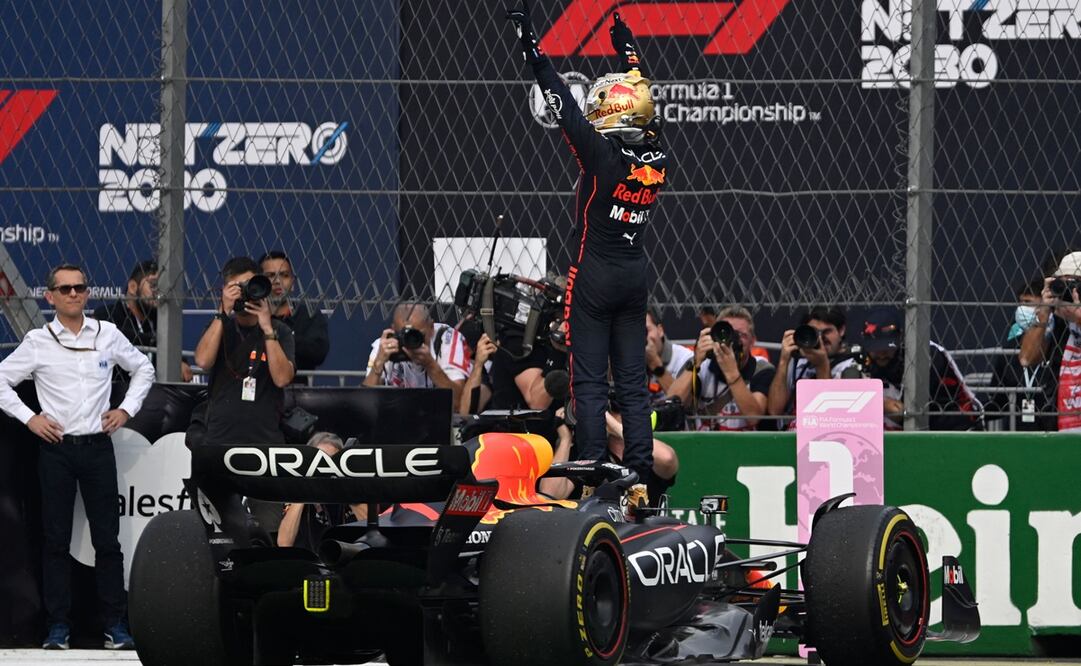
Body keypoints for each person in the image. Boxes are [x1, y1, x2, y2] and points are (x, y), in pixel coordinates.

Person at [507, 5, 666, 507]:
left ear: (613, 117)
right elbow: (643, 95)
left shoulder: (599, 156)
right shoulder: (657, 154)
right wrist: (628, 48)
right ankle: (638, 476)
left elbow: (562, 103)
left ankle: (597, 470)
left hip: (594, 277)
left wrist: (533, 50)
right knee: (634, 385)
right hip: (635, 276)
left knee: (590, 379)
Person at [0, 263, 154, 650]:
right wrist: (30, 418)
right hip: (56, 451)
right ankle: (57, 628)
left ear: (87, 293)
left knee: (108, 542)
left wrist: (126, 410)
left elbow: (144, 369)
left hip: (98, 449)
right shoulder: (38, 341)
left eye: (79, 288)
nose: (73, 294)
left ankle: (116, 626)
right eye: (65, 289)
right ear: (49, 296)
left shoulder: (108, 333)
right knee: (55, 542)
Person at [194, 257, 296, 530]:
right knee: (216, 531)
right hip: (219, 443)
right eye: (236, 287)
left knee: (266, 530)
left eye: (250, 285)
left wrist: (266, 327)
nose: (244, 293)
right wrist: (221, 312)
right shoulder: (220, 326)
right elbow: (202, 361)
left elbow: (282, 377)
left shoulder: (279, 331)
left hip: (264, 445)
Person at [859, 307, 983, 430]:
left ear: (900, 338)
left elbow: (909, 415)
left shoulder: (924, 354)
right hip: (914, 434)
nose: (881, 354)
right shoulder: (859, 359)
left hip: (958, 427)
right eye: (875, 348)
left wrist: (867, 397)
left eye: (887, 348)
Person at [669, 306, 775, 431]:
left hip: (748, 447)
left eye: (741, 335)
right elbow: (672, 404)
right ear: (714, 336)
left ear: (753, 341)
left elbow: (754, 417)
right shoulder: (704, 367)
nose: (733, 340)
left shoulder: (761, 368)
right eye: (728, 333)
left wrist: (731, 372)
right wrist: (695, 362)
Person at [93, 259, 193, 382]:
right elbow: (120, 336)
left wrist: (179, 361)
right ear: (133, 287)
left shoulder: (161, 319)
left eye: (162, 288)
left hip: (154, 395)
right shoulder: (107, 314)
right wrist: (158, 342)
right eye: (153, 285)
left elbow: (177, 354)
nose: (158, 293)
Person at [1019, 251, 1081, 432]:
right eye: (1065, 285)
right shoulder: (1058, 321)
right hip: (1062, 421)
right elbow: (1026, 359)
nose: (1071, 293)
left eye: (1076, 285)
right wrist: (1044, 311)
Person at [364, 304, 470, 408]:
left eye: (417, 336)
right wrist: (378, 364)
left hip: (437, 416)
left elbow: (457, 403)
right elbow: (365, 403)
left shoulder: (447, 340)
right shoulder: (385, 345)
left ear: (431, 327)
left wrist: (431, 365)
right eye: (405, 336)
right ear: (393, 329)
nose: (411, 343)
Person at [767, 306, 856, 428]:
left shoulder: (852, 366)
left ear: (841, 331)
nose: (820, 338)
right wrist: (784, 360)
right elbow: (774, 411)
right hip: (790, 438)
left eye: (826, 332)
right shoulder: (797, 362)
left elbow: (832, 418)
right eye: (815, 332)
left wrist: (822, 365)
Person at [988, 278, 1057, 430]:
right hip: (1016, 432)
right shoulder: (1011, 347)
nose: (1022, 309)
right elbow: (995, 403)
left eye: (1028, 303)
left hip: (1052, 431)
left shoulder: (1059, 344)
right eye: (1020, 303)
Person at [277, 432, 365, 549]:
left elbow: (370, 530)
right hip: (312, 561)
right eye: (319, 461)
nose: (325, 467)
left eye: (330, 461)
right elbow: (284, 543)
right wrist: (306, 488)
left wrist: (345, 485)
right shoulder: (297, 490)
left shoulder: (354, 487)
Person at [259, 251, 330, 382]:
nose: (277, 281)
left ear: (293, 282)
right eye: (270, 276)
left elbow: (318, 353)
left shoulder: (309, 314)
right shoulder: (253, 315)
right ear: (259, 282)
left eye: (284, 275)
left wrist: (282, 337)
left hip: (297, 392)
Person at [645, 306, 693, 401]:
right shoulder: (625, 358)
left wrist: (655, 363)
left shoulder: (684, 359)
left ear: (660, 330)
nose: (641, 337)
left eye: (645, 331)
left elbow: (685, 403)